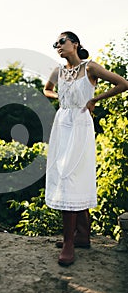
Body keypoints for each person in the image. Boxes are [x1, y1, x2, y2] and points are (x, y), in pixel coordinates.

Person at [43, 31, 128, 266]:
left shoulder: (90, 68)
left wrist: (94, 100)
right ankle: (82, 237)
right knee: (64, 175)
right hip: (62, 124)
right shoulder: (57, 70)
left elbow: (123, 83)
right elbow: (46, 89)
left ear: (75, 43)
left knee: (72, 176)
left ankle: (69, 243)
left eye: (62, 41)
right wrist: (58, 96)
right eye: (55, 44)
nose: (57, 46)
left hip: (80, 124)